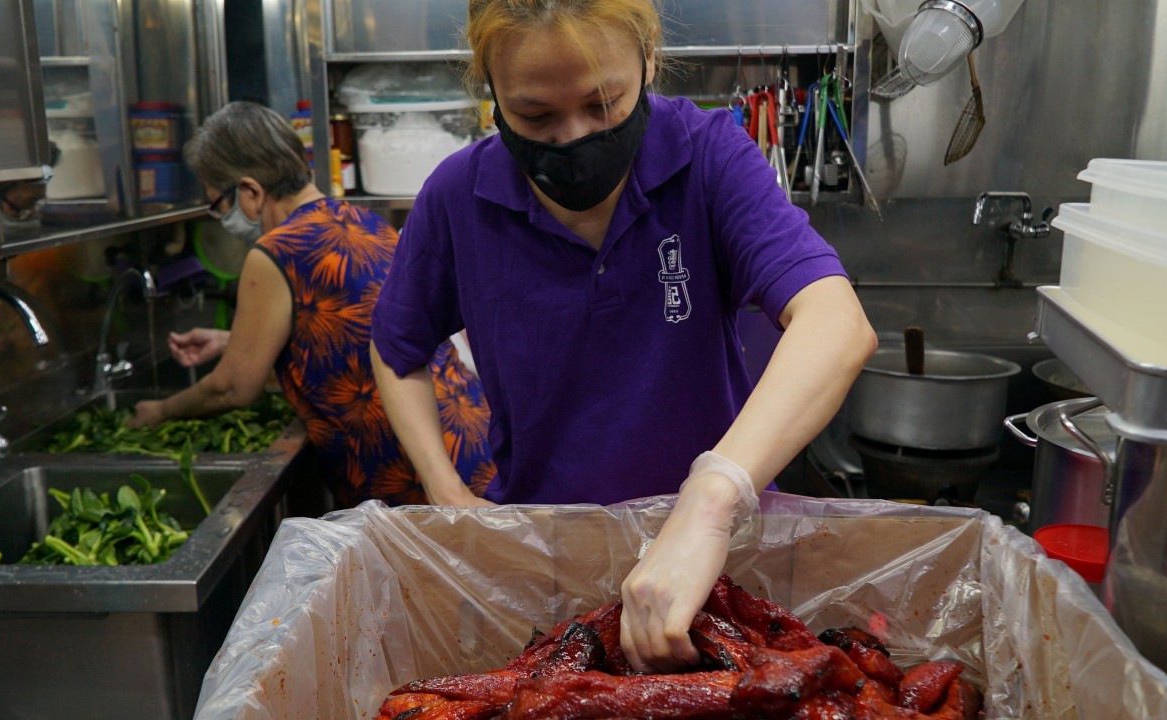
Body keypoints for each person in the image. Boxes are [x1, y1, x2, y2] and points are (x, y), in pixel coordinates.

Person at [369, 0, 876, 674]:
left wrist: (709, 501)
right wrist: (449, 498)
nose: (574, 137)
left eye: (603, 104)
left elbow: (836, 324)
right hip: (546, 569)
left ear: (649, 61)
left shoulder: (708, 158)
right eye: (535, 116)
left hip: (721, 560)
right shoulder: (458, 198)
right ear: (489, 90)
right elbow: (396, 349)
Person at [130, 101, 495, 509]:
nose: (223, 217)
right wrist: (231, 339)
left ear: (249, 191)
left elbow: (233, 388)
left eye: (218, 204)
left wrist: (159, 411)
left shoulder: (276, 251)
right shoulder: (363, 220)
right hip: (468, 440)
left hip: (413, 472)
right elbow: (349, 327)